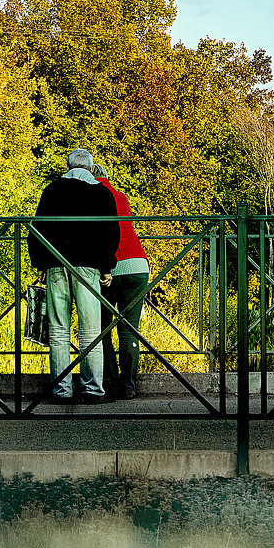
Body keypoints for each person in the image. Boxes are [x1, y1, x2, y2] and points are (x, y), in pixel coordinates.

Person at [27, 149, 120, 403]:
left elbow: (37, 228)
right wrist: (106, 267)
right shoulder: (102, 193)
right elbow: (111, 233)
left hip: (57, 264)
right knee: (91, 331)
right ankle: (92, 389)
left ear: (66, 166)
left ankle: (62, 390)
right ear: (91, 169)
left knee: (58, 331)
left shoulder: (52, 190)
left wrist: (42, 263)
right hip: (89, 268)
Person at [91, 163, 150, 400]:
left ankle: (109, 382)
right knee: (129, 330)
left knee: (103, 328)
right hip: (138, 264)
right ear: (107, 177)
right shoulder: (121, 196)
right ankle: (128, 384)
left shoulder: (93, 197)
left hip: (110, 268)